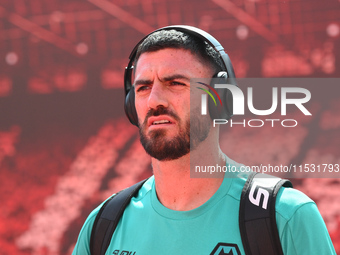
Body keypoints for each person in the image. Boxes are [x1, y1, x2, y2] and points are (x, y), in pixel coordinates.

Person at [72, 26, 336, 255]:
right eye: (143, 88)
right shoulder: (103, 224)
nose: (154, 101)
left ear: (219, 98)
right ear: (131, 105)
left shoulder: (285, 217)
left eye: (175, 83)